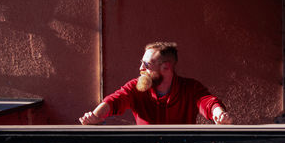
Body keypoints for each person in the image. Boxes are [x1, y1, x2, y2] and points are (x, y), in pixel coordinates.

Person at [79, 42, 233, 125]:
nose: (140, 69)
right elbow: (116, 100)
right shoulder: (136, 87)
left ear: (166, 68)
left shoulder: (190, 88)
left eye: (147, 65)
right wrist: (95, 116)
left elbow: (207, 102)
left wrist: (219, 115)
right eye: (141, 63)